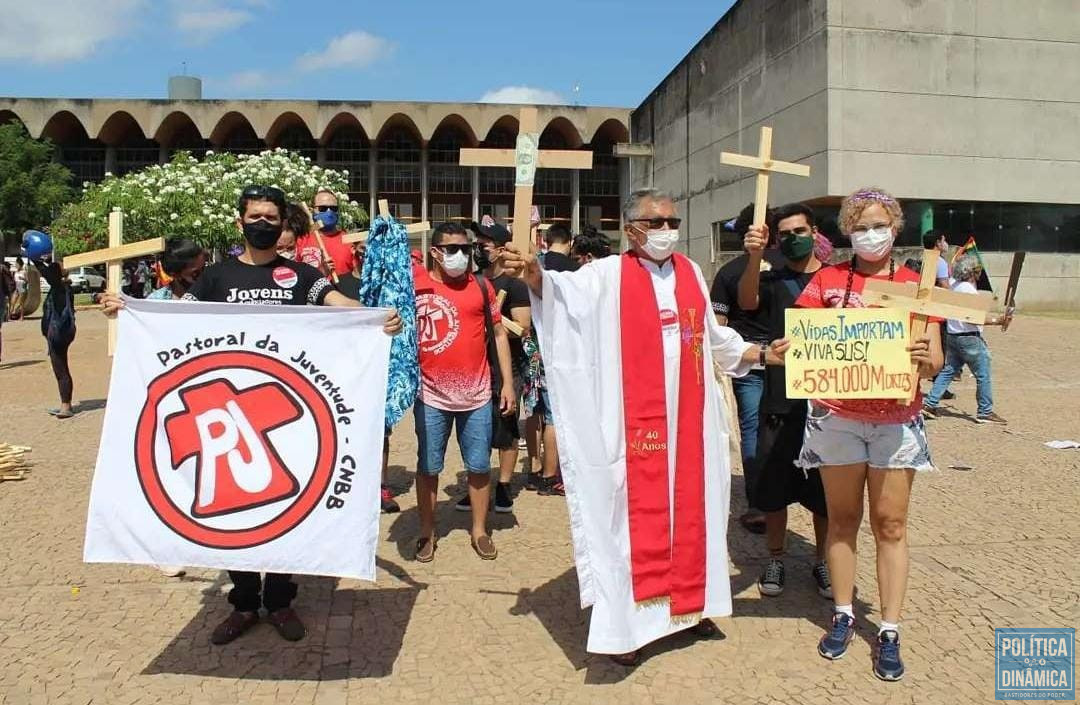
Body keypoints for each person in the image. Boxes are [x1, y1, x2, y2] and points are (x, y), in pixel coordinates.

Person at [102, 185, 402, 646]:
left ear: (283, 225)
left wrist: (376, 317)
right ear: (240, 223)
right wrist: (129, 308)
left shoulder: (301, 276)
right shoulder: (214, 278)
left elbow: (340, 307)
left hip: (288, 418)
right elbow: (174, 317)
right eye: (255, 216)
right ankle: (243, 602)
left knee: (287, 505)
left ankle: (280, 600)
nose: (263, 223)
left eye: (271, 217)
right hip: (224, 416)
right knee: (233, 512)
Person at [503, 188, 789, 665]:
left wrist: (759, 354)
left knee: (698, 511)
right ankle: (629, 629)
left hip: (691, 424)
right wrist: (531, 268)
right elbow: (555, 293)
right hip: (633, 426)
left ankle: (690, 607)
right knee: (629, 520)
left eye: (672, 221)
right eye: (655, 223)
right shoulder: (607, 275)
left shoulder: (691, 273)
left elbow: (714, 339)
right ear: (631, 227)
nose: (666, 231)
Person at [793, 186, 943, 682]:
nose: (871, 234)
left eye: (879, 224)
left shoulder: (918, 287)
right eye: (861, 226)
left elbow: (936, 359)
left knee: (891, 524)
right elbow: (805, 342)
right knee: (842, 519)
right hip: (837, 417)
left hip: (896, 421)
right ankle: (842, 613)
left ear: (895, 228)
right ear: (846, 233)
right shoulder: (828, 281)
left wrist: (927, 359)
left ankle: (891, 627)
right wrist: (792, 349)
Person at [737, 203, 831, 600]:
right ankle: (775, 556)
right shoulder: (770, 280)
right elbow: (745, 302)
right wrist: (755, 255)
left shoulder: (836, 281)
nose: (794, 238)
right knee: (775, 488)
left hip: (828, 406)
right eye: (786, 234)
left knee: (825, 494)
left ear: (815, 232)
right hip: (779, 400)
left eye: (800, 231)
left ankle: (824, 560)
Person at [412, 222, 515, 563]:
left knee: (479, 466)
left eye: (466, 250)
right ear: (436, 251)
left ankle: (480, 531)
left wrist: (508, 385)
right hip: (431, 397)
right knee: (428, 467)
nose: (461, 256)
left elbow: (499, 334)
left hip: (477, 396)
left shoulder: (482, 287)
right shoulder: (416, 285)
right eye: (452, 249)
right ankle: (427, 532)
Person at [711, 203, 786, 535]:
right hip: (786, 360)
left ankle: (759, 505)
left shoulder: (728, 272)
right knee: (795, 429)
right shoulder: (791, 270)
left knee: (754, 431)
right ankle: (788, 495)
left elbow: (717, 324)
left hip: (749, 364)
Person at [457, 219, 531, 514]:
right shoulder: (472, 280)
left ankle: (503, 485)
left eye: (483, 245)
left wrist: (496, 321)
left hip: (506, 367)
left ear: (500, 250)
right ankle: (478, 486)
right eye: (475, 245)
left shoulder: (515, 284)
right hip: (475, 366)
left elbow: (524, 327)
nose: (477, 249)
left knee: (506, 426)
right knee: (477, 429)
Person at [335, 235, 402, 514]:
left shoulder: (385, 287)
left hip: (374, 369)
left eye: (371, 249)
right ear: (354, 250)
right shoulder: (337, 283)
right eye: (362, 248)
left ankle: (379, 486)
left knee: (379, 431)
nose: (366, 254)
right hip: (343, 368)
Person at [922, 255, 1011, 424]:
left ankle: (930, 403)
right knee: (983, 374)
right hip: (968, 337)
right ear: (971, 272)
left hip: (953, 335)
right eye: (977, 270)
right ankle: (985, 411)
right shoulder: (968, 289)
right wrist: (997, 320)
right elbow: (972, 317)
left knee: (948, 371)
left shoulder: (954, 285)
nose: (979, 273)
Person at [296, 188, 357, 277]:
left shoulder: (349, 241)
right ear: (312, 210)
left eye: (334, 208)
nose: (329, 212)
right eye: (323, 208)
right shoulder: (301, 240)